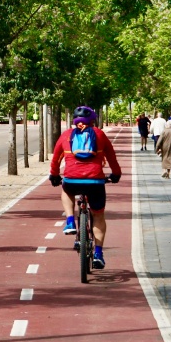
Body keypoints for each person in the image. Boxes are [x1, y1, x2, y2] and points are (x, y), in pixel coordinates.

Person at [49, 105, 122, 269]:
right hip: (95, 182)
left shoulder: (66, 135)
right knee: (98, 216)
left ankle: (70, 221)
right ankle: (98, 254)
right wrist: (116, 174)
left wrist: (54, 175)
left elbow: (56, 159)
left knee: (66, 189)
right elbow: (111, 157)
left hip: (72, 180)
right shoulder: (99, 134)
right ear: (92, 121)